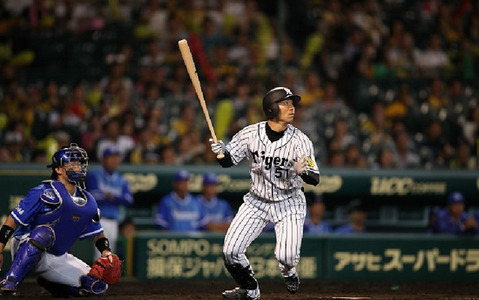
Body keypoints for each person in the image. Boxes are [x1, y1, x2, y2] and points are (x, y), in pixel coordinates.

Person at [209, 87, 320, 300]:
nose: (291, 107)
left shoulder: (301, 140)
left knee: (286, 256)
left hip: (290, 202)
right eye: (285, 103)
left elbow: (315, 177)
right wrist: (220, 153)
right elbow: (228, 161)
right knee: (231, 252)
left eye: (292, 103)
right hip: (256, 202)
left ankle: (289, 272)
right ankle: (250, 289)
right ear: (271, 109)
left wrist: (304, 171)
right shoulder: (250, 134)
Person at [0, 143, 118, 297]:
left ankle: (52, 284)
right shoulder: (44, 192)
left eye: (78, 164)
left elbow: (98, 233)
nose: (77, 167)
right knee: (45, 232)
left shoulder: (88, 201)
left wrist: (106, 251)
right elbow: (13, 220)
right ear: (58, 169)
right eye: (71, 164)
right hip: (26, 243)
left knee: (97, 287)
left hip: (57, 256)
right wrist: (0, 248)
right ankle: (10, 280)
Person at [85, 145, 134, 254]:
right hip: (99, 221)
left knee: (110, 256)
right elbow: (93, 196)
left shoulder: (122, 180)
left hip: (115, 221)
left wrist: (111, 197)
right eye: (111, 157)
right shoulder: (95, 175)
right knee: (100, 255)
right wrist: (114, 198)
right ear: (103, 159)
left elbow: (129, 199)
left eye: (116, 158)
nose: (114, 160)